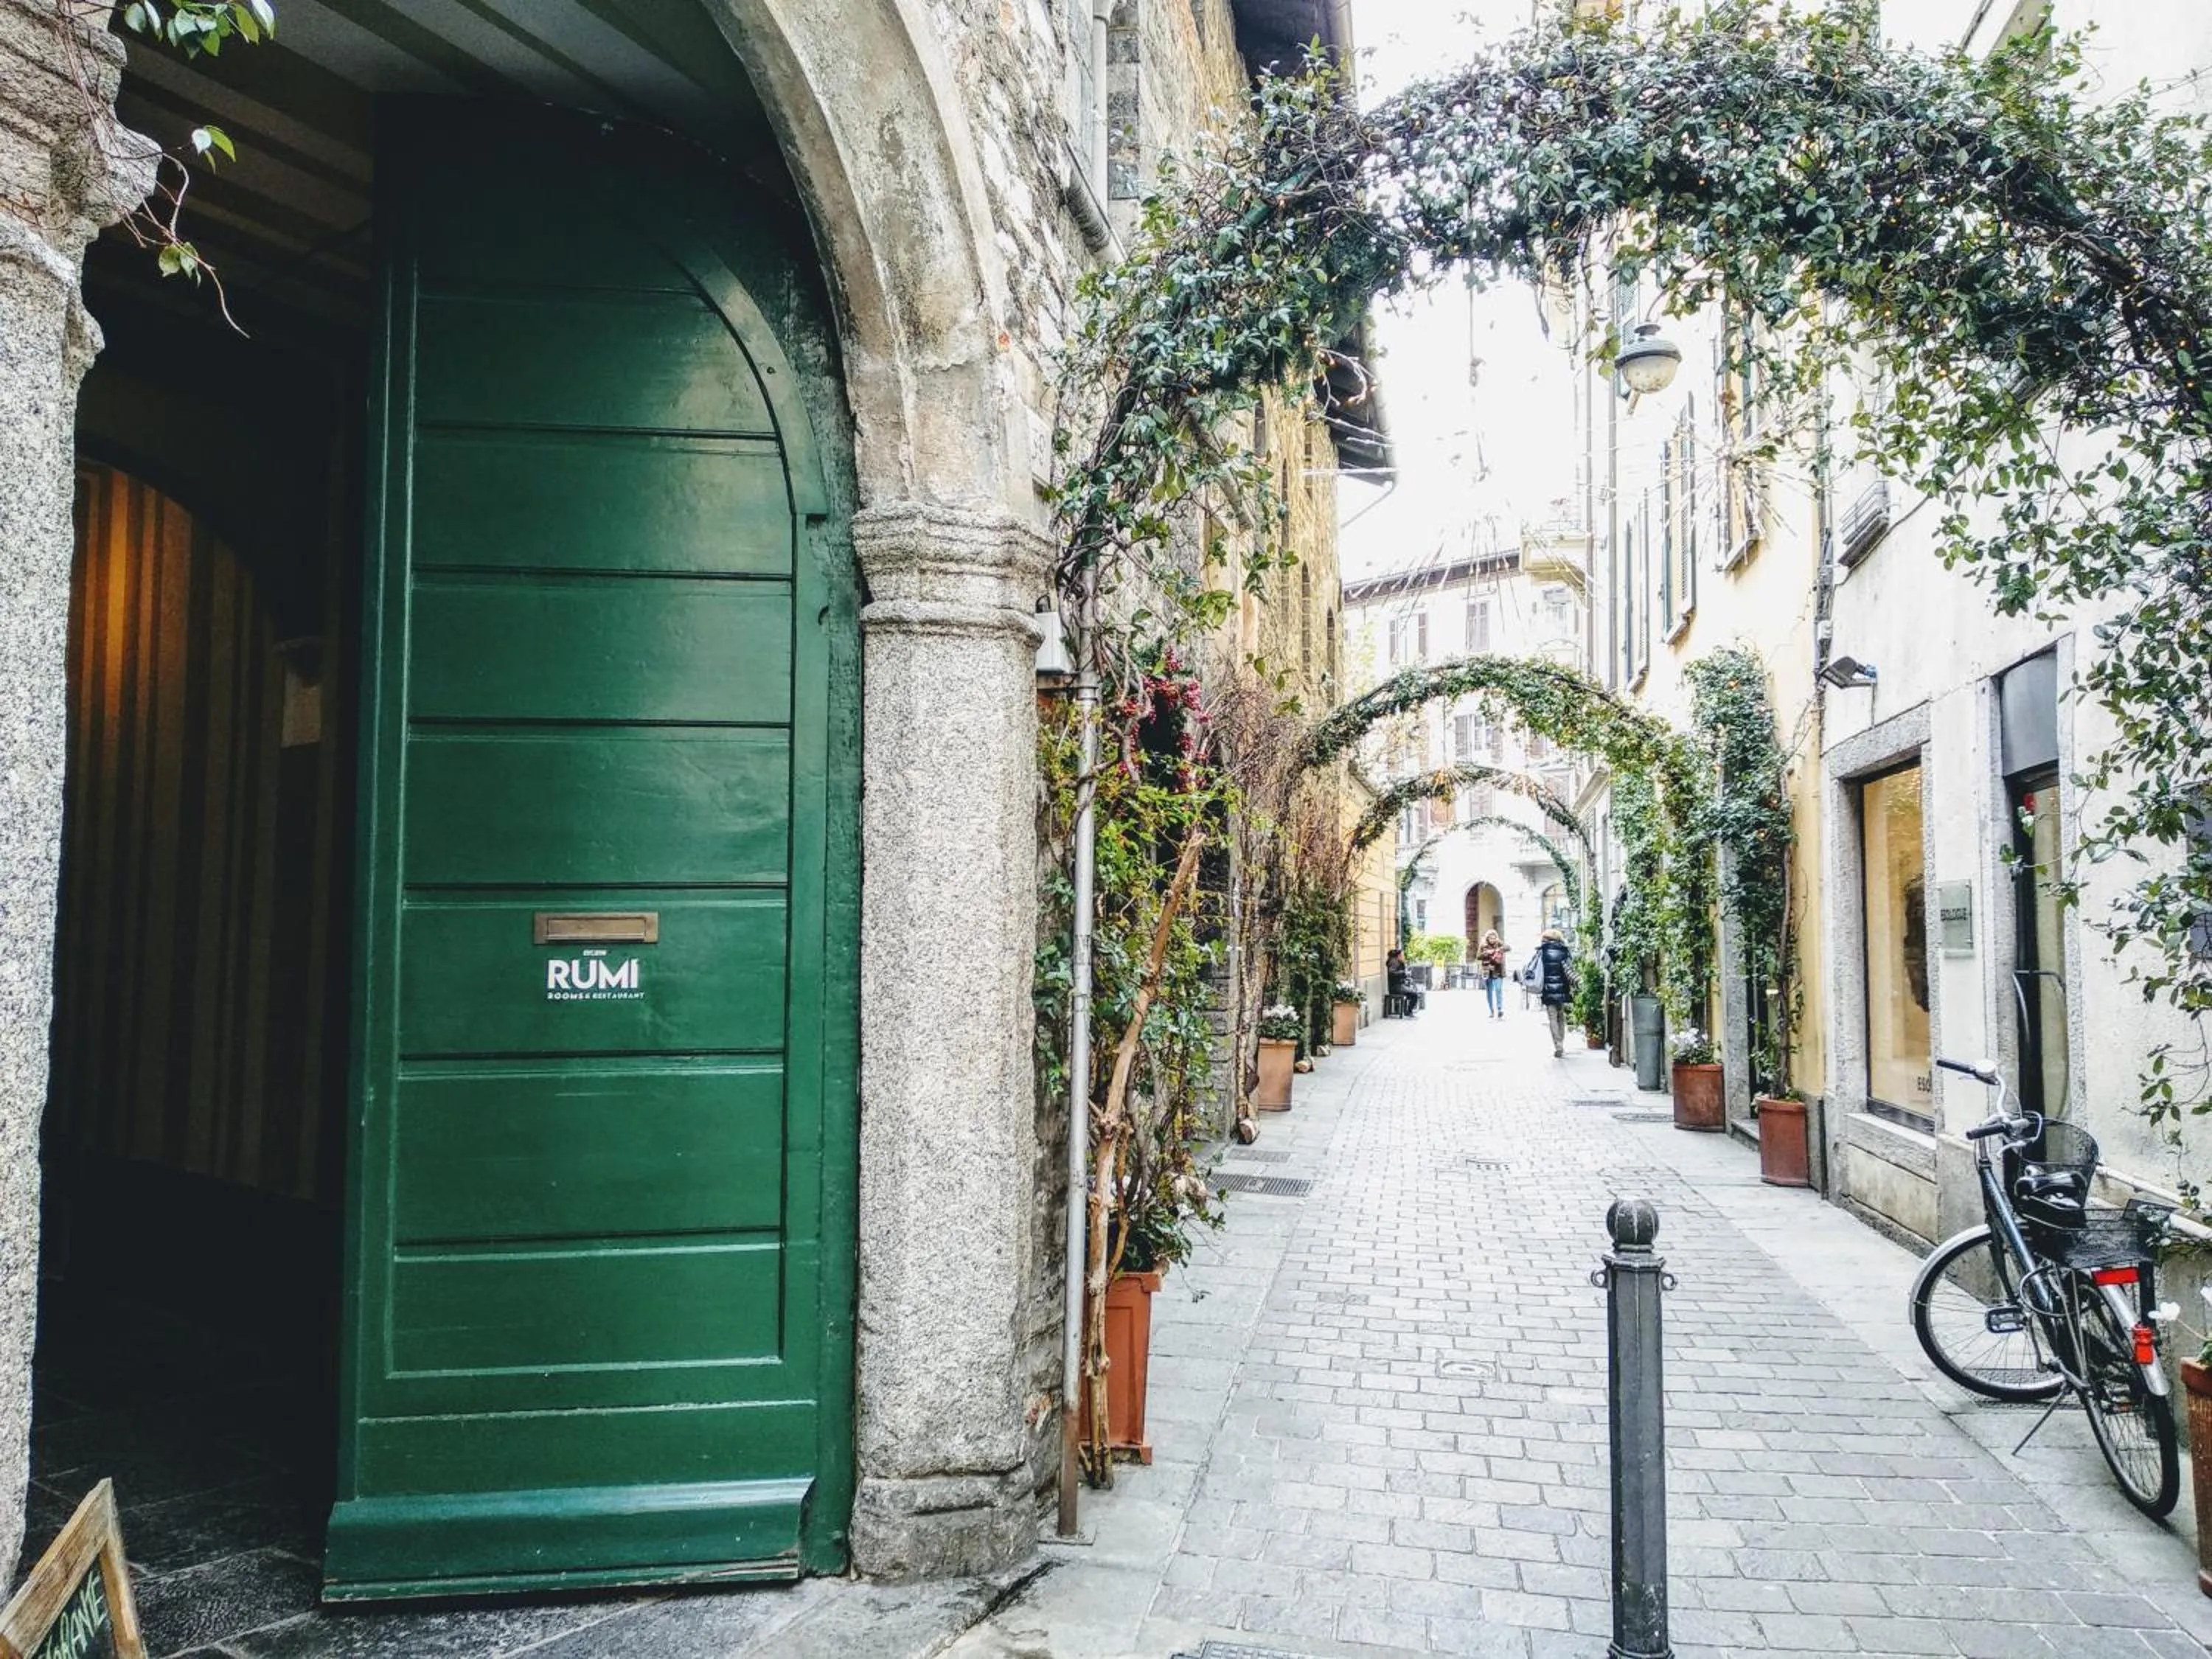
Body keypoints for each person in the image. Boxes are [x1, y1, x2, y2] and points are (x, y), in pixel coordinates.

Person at [1536, 926, 1576, 1057]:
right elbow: (1569, 970)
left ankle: (1558, 1045)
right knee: (1561, 1016)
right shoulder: (1563, 951)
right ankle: (1561, 1043)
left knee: (1552, 1017)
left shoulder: (1541, 952)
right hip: (1562, 988)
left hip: (1547, 989)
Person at [1476, 929, 1509, 1020]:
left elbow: (1508, 948)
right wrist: (1486, 953)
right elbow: (1478, 957)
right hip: (1488, 971)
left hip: (1498, 971)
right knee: (1489, 991)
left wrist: (1499, 949)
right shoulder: (1483, 945)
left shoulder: (1499, 944)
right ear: (1488, 938)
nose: (1493, 940)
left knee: (1498, 989)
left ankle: (1500, 1009)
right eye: (1491, 938)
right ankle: (1491, 1010)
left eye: (1494, 938)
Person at [1385, 947, 1422, 1017]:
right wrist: (1404, 973)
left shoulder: (1397, 962)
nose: (1403, 956)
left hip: (1399, 985)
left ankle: (1407, 1011)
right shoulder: (1394, 962)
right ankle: (1408, 1012)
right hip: (1396, 987)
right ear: (1398, 956)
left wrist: (1405, 975)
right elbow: (1392, 973)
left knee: (1413, 994)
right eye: (1402, 955)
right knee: (1414, 995)